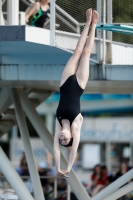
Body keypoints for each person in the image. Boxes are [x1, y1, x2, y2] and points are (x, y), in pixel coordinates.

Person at [53, 8, 99, 178]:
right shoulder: (75, 127)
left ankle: (86, 23)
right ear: (71, 136)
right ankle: (93, 25)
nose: (63, 139)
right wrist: (68, 167)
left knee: (77, 52)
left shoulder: (58, 124)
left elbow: (56, 151)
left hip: (64, 82)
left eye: (61, 140)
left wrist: (58, 166)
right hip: (79, 84)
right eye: (66, 140)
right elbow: (73, 151)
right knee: (86, 54)